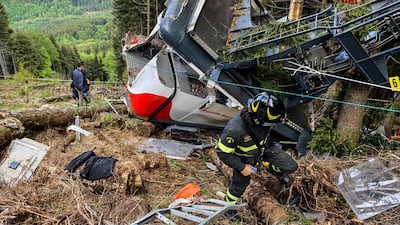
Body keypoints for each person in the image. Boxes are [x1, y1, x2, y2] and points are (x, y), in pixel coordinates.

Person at [216, 92, 298, 219]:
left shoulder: (262, 119)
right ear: (259, 119)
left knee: (291, 166)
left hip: (264, 149)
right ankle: (228, 208)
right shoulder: (234, 130)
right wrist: (242, 167)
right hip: (244, 159)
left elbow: (266, 132)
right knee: (239, 186)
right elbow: (222, 152)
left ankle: (274, 170)